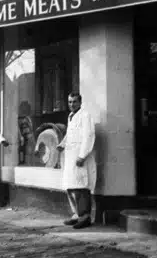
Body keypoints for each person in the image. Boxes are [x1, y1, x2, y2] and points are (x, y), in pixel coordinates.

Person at [56, 92, 96, 229]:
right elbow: (70, 134)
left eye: (74, 102)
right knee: (71, 186)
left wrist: (82, 156)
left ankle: (85, 217)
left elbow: (88, 135)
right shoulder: (71, 116)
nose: (72, 104)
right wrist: (62, 144)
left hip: (79, 156)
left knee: (81, 187)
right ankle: (76, 214)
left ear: (80, 102)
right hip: (70, 156)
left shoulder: (85, 115)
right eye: (70, 102)